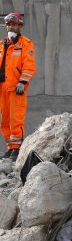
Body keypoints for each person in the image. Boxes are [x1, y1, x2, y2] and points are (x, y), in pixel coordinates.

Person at [0, 12, 36, 162]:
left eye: (14, 25)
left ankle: (17, 148)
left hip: (16, 88)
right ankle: (10, 147)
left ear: (19, 26)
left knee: (16, 118)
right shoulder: (2, 44)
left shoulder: (25, 44)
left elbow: (29, 65)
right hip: (2, 88)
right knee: (5, 119)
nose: (10, 27)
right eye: (8, 24)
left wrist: (22, 82)